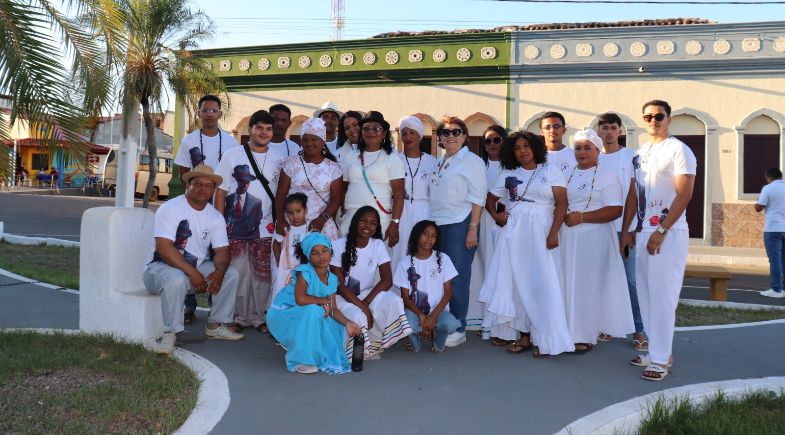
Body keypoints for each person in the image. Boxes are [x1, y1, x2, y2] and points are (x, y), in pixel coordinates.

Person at [621, 100, 696, 381]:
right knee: (646, 296)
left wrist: (662, 229)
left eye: (659, 116)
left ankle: (662, 361)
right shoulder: (640, 153)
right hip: (641, 234)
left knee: (663, 297)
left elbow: (685, 194)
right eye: (648, 116)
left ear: (669, 118)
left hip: (668, 233)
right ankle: (656, 351)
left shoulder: (679, 150)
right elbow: (633, 195)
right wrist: (627, 231)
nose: (654, 120)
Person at [480, 131, 574, 358]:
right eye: (517, 148)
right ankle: (524, 335)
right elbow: (490, 199)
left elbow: (562, 203)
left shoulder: (551, 170)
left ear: (535, 148)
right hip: (515, 233)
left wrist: (553, 233)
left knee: (543, 283)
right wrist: (496, 216)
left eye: (526, 146)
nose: (522, 151)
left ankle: (545, 337)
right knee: (518, 282)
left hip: (542, 230)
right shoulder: (508, 172)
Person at [142, 165, 244, 355]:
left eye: (208, 185)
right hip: (157, 271)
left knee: (230, 273)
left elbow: (222, 249)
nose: (203, 188)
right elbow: (164, 249)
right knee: (175, 277)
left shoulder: (214, 216)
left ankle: (215, 325)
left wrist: (220, 272)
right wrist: (193, 273)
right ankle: (170, 333)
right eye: (198, 183)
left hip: (190, 271)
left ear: (213, 190)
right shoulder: (171, 208)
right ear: (187, 185)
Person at [561, 129, 634, 355]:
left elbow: (615, 210)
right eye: (578, 148)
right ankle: (566, 330)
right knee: (567, 284)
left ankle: (584, 335)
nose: (582, 152)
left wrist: (581, 217)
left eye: (587, 148)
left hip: (595, 239)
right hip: (568, 239)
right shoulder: (566, 173)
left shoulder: (607, 175)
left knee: (588, 287)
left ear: (597, 150)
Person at [214, 110, 284, 334]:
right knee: (238, 273)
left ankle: (260, 316)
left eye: (268, 129)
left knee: (263, 274)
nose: (264, 132)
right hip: (234, 227)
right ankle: (239, 317)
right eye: (259, 128)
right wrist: (219, 224)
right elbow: (221, 191)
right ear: (250, 129)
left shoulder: (278, 159)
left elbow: (281, 193)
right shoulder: (232, 155)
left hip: (266, 228)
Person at [267, 232, 361, 374]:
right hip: (283, 313)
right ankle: (298, 359)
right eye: (315, 253)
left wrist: (348, 322)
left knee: (331, 320)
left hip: (303, 313)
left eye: (325, 251)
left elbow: (333, 309)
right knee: (314, 310)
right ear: (308, 257)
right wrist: (323, 301)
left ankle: (306, 347)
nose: (321, 256)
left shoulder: (332, 278)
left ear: (330, 251)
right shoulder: (304, 272)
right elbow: (300, 299)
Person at [429, 116, 486, 347]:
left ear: (464, 136)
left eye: (456, 132)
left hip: (460, 225)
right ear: (440, 138)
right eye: (445, 132)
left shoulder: (472, 161)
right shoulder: (441, 161)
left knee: (457, 278)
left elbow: (478, 197)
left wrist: (472, 229)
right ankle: (445, 322)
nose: (450, 135)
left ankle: (459, 327)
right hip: (438, 225)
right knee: (441, 278)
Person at [329, 206, 412, 360]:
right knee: (359, 317)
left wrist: (366, 303)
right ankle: (359, 348)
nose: (368, 226)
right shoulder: (337, 245)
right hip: (343, 299)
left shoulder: (378, 245)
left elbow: (387, 279)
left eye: (373, 223)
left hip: (367, 294)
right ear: (355, 222)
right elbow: (339, 286)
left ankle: (377, 341)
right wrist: (364, 308)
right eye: (363, 221)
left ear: (377, 227)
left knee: (393, 300)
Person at [597, 112, 648, 351]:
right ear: (598, 131)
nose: (608, 132)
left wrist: (632, 229)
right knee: (602, 279)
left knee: (630, 281)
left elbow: (638, 196)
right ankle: (607, 325)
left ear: (620, 131)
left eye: (613, 127)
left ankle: (639, 329)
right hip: (596, 229)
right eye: (604, 127)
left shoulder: (632, 157)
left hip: (623, 230)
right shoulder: (592, 157)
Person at [340, 111, 405, 250]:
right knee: (348, 264)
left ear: (384, 133)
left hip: (379, 220)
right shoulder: (350, 157)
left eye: (376, 128)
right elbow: (343, 188)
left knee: (377, 266)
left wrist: (394, 224)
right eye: (366, 128)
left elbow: (399, 195)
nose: (371, 131)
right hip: (352, 217)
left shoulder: (392, 159)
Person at [394, 220, 462, 353]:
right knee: (408, 325)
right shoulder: (405, 263)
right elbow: (405, 298)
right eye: (425, 234)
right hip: (414, 311)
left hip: (437, 311)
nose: (429, 238)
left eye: (434, 235)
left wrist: (433, 316)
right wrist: (421, 316)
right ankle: (414, 340)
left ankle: (438, 340)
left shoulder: (443, 259)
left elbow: (448, 293)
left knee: (450, 324)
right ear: (416, 235)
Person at [468, 125, 509, 345]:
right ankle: (482, 321)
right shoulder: (478, 165)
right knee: (481, 269)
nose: (492, 145)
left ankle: (501, 325)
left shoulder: (512, 166)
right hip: (478, 221)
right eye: (487, 141)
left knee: (499, 270)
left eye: (496, 140)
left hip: (502, 222)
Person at [274, 117, 343, 241]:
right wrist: (279, 218)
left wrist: (322, 219)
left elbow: (335, 199)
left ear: (323, 141)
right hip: (291, 223)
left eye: (314, 139)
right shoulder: (291, 163)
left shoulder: (333, 168)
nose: (309, 143)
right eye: (305, 140)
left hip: (321, 225)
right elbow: (281, 192)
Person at [390, 116, 438, 273]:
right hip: (401, 211)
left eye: (412, 133)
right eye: (404, 133)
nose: (408, 137)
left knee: (422, 251)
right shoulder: (395, 160)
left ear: (420, 135)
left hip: (424, 211)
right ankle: (398, 294)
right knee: (399, 251)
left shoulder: (432, 162)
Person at [174, 95, 238, 187]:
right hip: (197, 193)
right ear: (199, 113)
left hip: (223, 194)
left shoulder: (231, 142)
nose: (210, 114)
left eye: (214, 111)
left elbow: (234, 171)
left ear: (220, 114)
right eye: (205, 110)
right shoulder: (188, 141)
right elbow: (184, 173)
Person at [272, 193, 313, 301]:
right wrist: (278, 260)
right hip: (285, 270)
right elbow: (276, 243)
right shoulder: (285, 228)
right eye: (290, 213)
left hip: (305, 270)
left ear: (306, 210)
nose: (295, 216)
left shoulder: (311, 229)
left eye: (298, 211)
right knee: (284, 297)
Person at [756, 168, 785, 298]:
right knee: (783, 259)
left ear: (769, 178)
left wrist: (758, 201)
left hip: (773, 229)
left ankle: (776, 289)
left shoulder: (768, 188)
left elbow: (758, 207)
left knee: (775, 260)